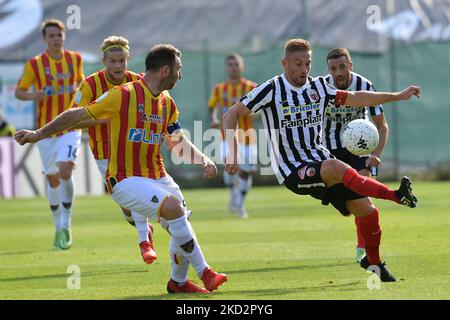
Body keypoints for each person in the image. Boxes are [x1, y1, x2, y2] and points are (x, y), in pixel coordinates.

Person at [15, 44, 227, 294]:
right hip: (124, 179)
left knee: (181, 225)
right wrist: (38, 134)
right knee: (173, 209)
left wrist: (203, 159)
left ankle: (178, 283)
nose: (180, 76)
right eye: (178, 70)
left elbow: (177, 142)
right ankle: (205, 272)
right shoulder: (123, 94)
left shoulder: (166, 102)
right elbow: (77, 114)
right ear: (166, 70)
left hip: (158, 176)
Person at [224, 39, 419, 282]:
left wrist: (398, 96)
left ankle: (375, 264)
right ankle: (396, 195)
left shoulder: (319, 87)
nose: (304, 69)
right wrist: (232, 152)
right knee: (336, 166)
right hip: (293, 169)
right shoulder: (272, 89)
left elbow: (357, 97)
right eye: (298, 64)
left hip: (321, 162)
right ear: (284, 63)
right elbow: (232, 114)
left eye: (307, 63)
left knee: (368, 212)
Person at [70, 36, 156, 264]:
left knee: (135, 194)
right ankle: (143, 229)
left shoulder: (139, 81)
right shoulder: (89, 84)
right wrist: (101, 118)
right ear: (104, 61)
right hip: (104, 152)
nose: (118, 66)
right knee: (126, 205)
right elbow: (74, 119)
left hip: (133, 149)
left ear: (128, 59)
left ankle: (144, 242)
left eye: (122, 61)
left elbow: (154, 110)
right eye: (113, 61)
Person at [15, 19, 84, 250]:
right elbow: (19, 92)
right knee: (53, 178)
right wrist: (35, 96)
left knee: (66, 170)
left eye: (59, 35)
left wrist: (81, 93)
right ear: (45, 39)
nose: (56, 38)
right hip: (44, 131)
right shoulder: (35, 64)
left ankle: (67, 225)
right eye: (52, 35)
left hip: (71, 127)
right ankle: (58, 227)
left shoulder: (75, 59)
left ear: (64, 36)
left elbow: (83, 85)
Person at [324, 48, 389, 263]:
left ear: (350, 65)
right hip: (331, 150)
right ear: (328, 70)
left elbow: (381, 125)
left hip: (359, 149)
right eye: (333, 68)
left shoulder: (365, 87)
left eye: (342, 66)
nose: (338, 72)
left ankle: (362, 248)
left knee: (362, 192)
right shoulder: (321, 88)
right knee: (348, 206)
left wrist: (376, 155)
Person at [208, 53, 257, 218]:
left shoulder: (251, 87)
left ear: (241, 66)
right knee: (230, 168)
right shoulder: (219, 89)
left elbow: (261, 108)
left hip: (248, 137)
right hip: (226, 137)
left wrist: (254, 113)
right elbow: (212, 107)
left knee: (246, 171)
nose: (233, 67)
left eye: (236, 64)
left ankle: (241, 205)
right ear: (226, 68)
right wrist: (214, 119)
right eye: (230, 64)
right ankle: (233, 194)